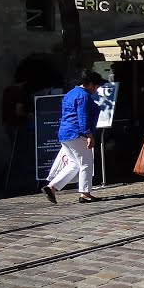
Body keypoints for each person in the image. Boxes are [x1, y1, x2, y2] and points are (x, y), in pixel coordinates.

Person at [40, 70, 103, 204]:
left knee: (74, 164)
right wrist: (89, 135)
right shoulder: (83, 96)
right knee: (86, 163)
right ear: (90, 84)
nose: (96, 89)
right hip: (77, 133)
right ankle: (85, 193)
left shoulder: (70, 93)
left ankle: (52, 187)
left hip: (65, 133)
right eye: (96, 86)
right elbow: (83, 117)